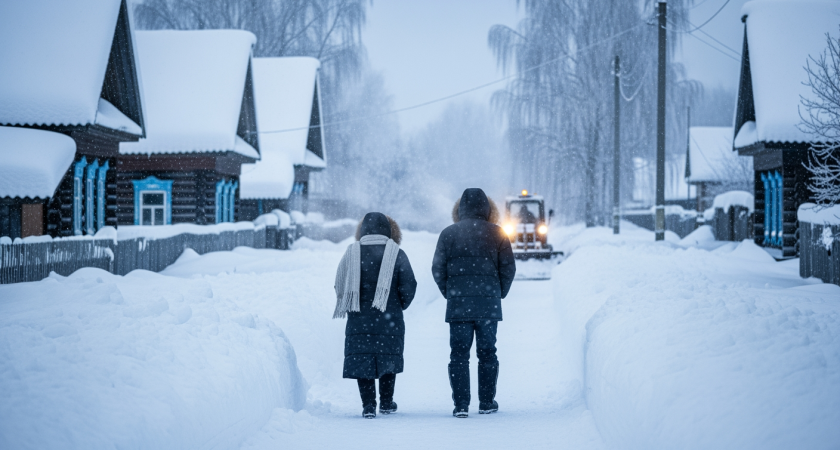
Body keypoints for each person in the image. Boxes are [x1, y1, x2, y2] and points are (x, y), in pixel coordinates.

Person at [432, 188, 516, 418]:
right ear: (487, 209)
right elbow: (509, 268)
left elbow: (437, 269)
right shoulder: (498, 233)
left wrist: (450, 294)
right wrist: (499, 294)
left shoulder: (448, 234)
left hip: (458, 307)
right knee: (488, 352)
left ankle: (461, 405)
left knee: (458, 354)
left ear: (460, 209)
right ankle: (487, 402)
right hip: (488, 306)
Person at [334, 212, 417, 419]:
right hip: (389, 318)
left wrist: (351, 301)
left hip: (358, 317)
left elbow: (339, 284)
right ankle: (387, 402)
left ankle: (369, 405)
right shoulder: (396, 253)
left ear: (362, 230)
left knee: (363, 359)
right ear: (389, 230)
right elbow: (409, 285)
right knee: (388, 356)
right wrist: (397, 305)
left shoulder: (351, 253)